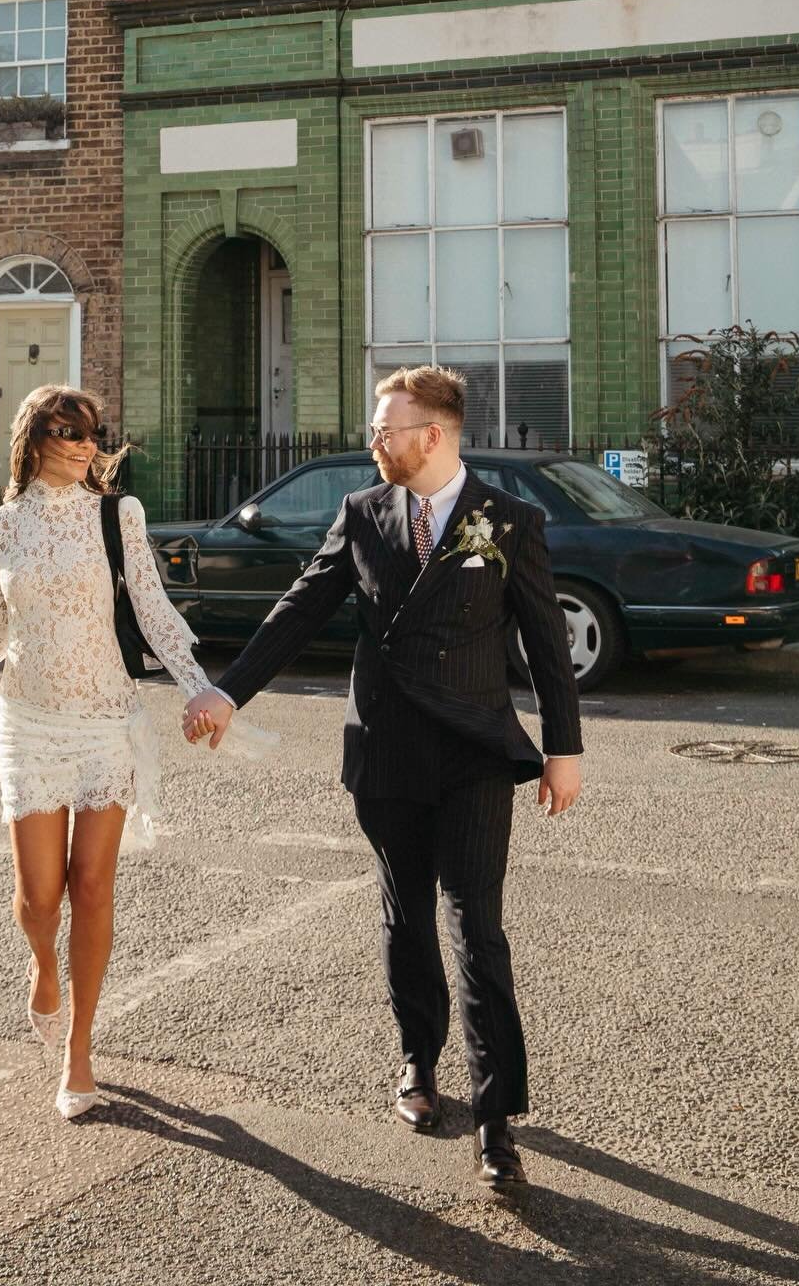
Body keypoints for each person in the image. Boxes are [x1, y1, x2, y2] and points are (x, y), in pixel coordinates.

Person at [183, 365, 582, 1188]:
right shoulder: (363, 512)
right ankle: (418, 1063)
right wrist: (227, 691)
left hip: (475, 750)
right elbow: (302, 607)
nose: (372, 442)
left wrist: (563, 749)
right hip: (388, 746)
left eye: (384, 430)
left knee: (478, 930)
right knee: (405, 920)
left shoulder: (510, 521)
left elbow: (547, 641)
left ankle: (496, 1120)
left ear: (431, 436)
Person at [0, 385, 215, 1120]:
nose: (85, 444)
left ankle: (79, 1048)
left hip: (106, 719)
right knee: (40, 896)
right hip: (29, 722)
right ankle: (44, 964)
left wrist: (200, 687)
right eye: (68, 431)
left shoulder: (118, 515)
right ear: (33, 439)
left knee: (92, 886)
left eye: (92, 432)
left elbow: (153, 610)